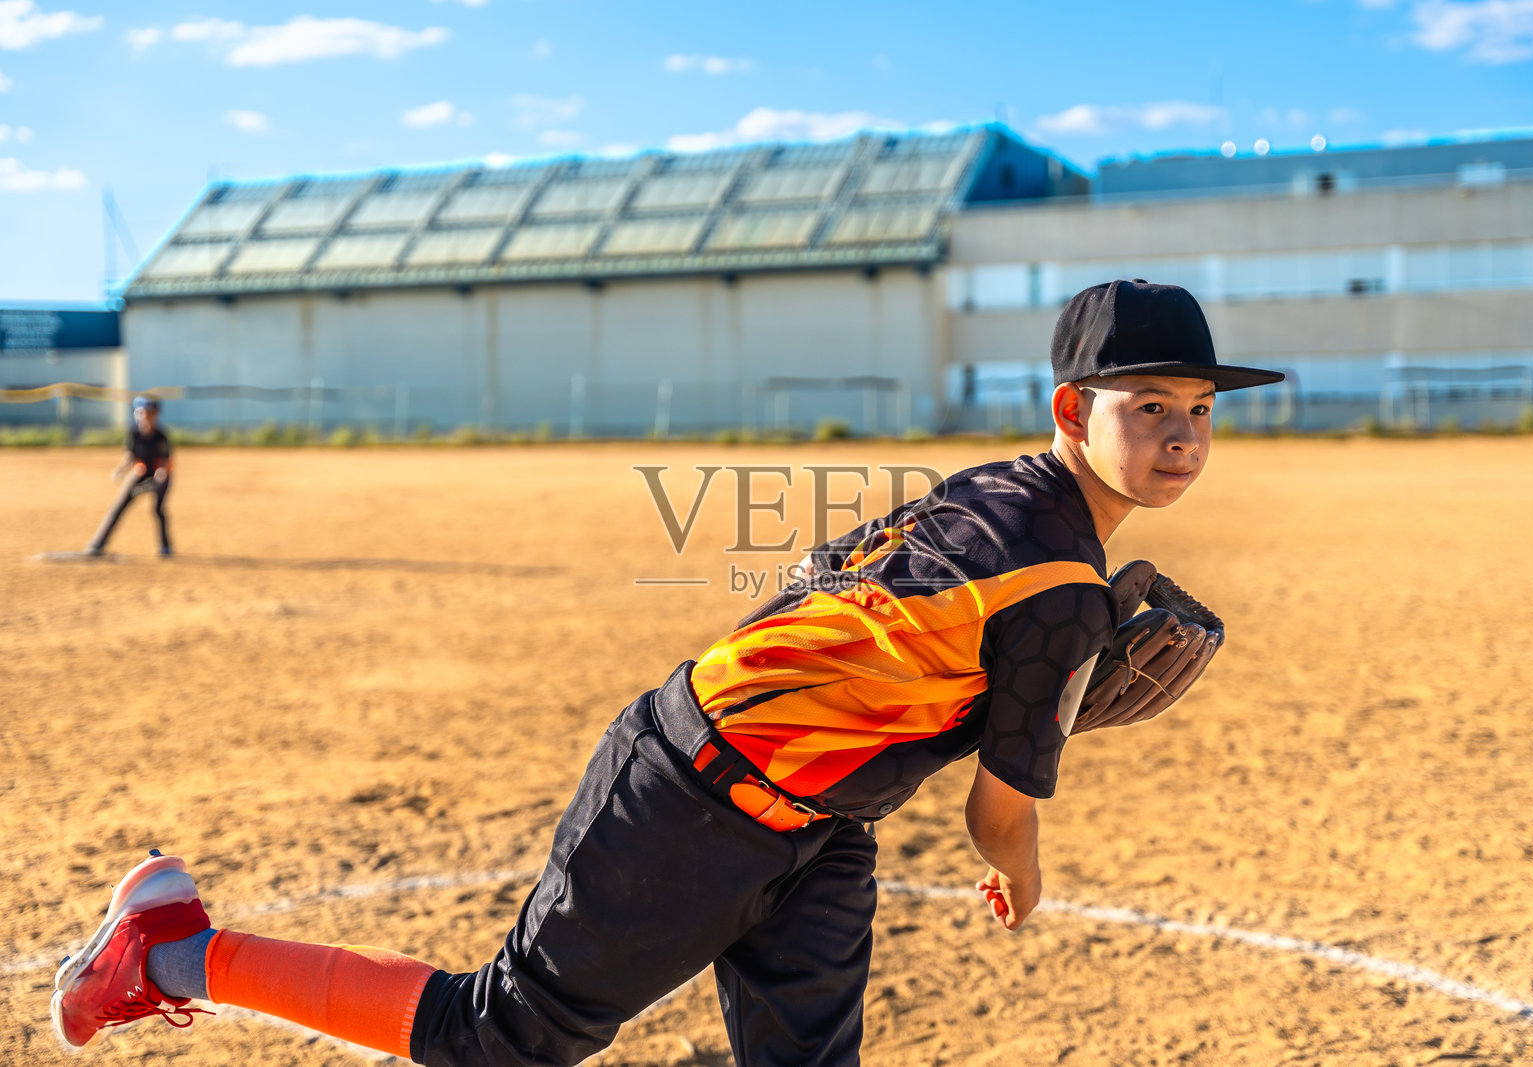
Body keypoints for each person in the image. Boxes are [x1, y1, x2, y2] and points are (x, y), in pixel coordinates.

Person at [52, 281, 1284, 1065]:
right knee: (500, 1037)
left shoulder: (994, 489)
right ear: (1073, 407)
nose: (1180, 434)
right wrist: (1020, 842)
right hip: (691, 799)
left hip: (816, 818)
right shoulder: (1061, 586)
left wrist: (948, 693)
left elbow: (824, 575)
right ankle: (168, 949)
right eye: (1148, 406)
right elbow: (998, 812)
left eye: (1198, 411)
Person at [85, 395, 173, 557]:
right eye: (140, 413)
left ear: (155, 415)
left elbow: (164, 462)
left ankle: (165, 546)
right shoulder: (134, 433)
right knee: (118, 506)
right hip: (139, 472)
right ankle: (98, 543)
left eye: (147, 413)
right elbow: (130, 456)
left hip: (160, 475)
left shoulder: (161, 436)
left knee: (158, 509)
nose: (143, 416)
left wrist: (160, 475)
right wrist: (120, 470)